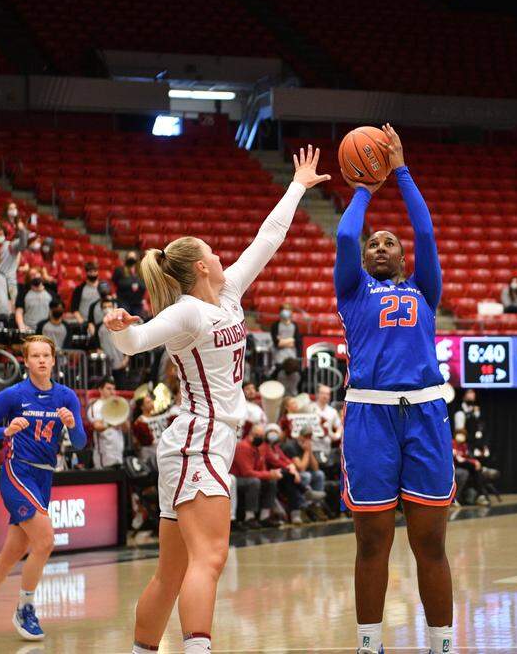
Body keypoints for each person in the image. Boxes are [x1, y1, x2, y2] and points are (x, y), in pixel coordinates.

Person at [103, 146, 327, 654]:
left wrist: (297, 186)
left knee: (174, 569)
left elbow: (267, 239)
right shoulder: (186, 313)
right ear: (203, 266)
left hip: (206, 442)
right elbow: (138, 342)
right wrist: (118, 329)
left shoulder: (227, 296)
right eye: (217, 254)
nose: (226, 258)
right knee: (208, 559)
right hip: (197, 441)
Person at [334, 124, 454, 654]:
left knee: (430, 542)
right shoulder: (353, 292)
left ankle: (442, 644)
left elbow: (426, 235)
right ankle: (369, 645)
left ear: (403, 261)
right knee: (372, 543)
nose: (380, 245)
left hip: (425, 414)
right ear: (363, 260)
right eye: (374, 243)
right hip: (369, 419)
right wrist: (365, 184)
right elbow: (343, 236)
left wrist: (401, 171)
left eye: (390, 243)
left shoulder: (423, 290)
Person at [0, 335, 87, 641]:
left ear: (53, 360)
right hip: (17, 472)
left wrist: (72, 425)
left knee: (14, 549)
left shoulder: (66, 397)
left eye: (46, 355)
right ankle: (25, 608)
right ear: (26, 361)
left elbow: (80, 443)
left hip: (44, 477)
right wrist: (6, 429)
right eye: (35, 356)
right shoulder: (13, 395)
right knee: (45, 540)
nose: (41, 360)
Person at [231, 427, 284, 528]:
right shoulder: (243, 446)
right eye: (256, 435)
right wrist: (268, 474)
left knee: (271, 481)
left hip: (250, 477)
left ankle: (265, 516)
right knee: (254, 482)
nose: (259, 438)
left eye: (261, 436)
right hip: (238, 478)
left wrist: (270, 474)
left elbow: (261, 468)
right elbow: (247, 472)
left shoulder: (259, 447)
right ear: (250, 434)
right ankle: (249, 517)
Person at [88, 377, 129, 469]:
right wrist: (112, 422)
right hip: (104, 455)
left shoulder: (116, 405)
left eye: (113, 389)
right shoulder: (96, 406)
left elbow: (126, 429)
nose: (112, 392)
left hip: (118, 453)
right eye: (108, 388)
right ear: (100, 390)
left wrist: (123, 414)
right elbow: (97, 427)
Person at [113, 250, 147, 317]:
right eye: (130, 257)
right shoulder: (120, 270)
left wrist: (144, 300)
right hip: (124, 302)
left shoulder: (141, 271)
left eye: (133, 257)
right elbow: (113, 283)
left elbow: (144, 286)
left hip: (137, 302)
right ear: (126, 259)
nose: (132, 259)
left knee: (138, 322)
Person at [269, 304, 302, 370]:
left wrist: (282, 341)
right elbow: (277, 343)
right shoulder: (275, 325)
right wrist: (291, 339)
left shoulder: (294, 325)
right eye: (284, 310)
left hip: (292, 356)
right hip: (279, 356)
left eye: (288, 310)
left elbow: (297, 341)